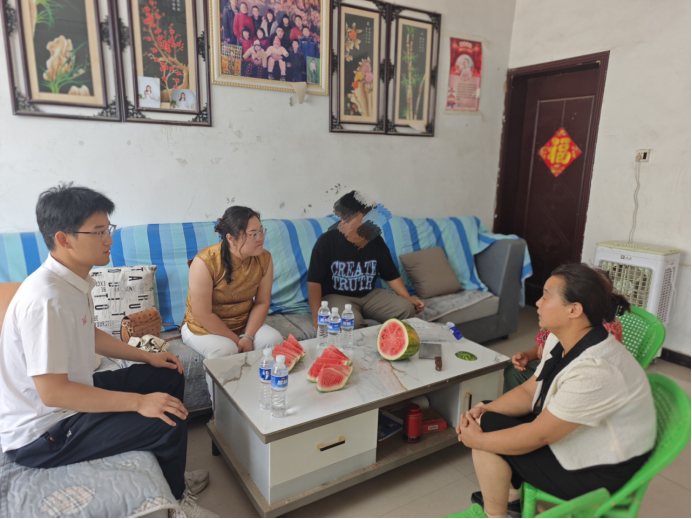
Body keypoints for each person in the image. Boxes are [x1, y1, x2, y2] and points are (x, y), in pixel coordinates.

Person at [0, 184, 217, 518]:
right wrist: (140, 403)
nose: (109, 240)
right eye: (99, 232)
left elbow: (88, 334)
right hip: (43, 432)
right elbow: (53, 393)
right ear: (64, 239)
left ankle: (169, 471)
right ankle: (178, 501)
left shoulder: (73, 281)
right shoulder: (46, 300)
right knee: (168, 422)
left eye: (108, 229)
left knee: (168, 373)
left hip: (71, 397)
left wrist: (147, 356)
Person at [454, 264, 656, 519]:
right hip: (585, 437)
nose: (537, 303)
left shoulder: (596, 369)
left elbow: (539, 435)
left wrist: (479, 441)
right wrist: (484, 408)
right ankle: (512, 503)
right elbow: (531, 391)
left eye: (546, 296)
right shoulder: (560, 337)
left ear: (574, 310)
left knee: (486, 430)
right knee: (485, 416)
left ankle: (496, 514)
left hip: (602, 469)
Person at [181, 206, 283, 397]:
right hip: (202, 327)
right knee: (227, 350)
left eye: (261, 231)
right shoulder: (204, 262)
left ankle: (263, 397)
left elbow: (262, 302)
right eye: (253, 234)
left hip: (242, 323)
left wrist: (248, 336)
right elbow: (203, 315)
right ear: (231, 238)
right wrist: (238, 340)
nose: (261, 238)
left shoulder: (264, 259)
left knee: (273, 339)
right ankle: (220, 410)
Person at [307, 191, 425, 331]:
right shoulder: (327, 241)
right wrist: (317, 316)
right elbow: (314, 282)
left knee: (406, 308)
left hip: (370, 295)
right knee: (350, 323)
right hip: (337, 296)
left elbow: (391, 275)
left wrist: (408, 298)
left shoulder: (375, 240)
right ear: (343, 217)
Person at [503, 317, 624, 394]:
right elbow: (542, 346)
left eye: (547, 297)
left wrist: (549, 364)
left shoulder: (603, 327)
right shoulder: (553, 318)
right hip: (551, 369)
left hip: (580, 379)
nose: (539, 303)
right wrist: (528, 356)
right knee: (513, 370)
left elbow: (589, 370)